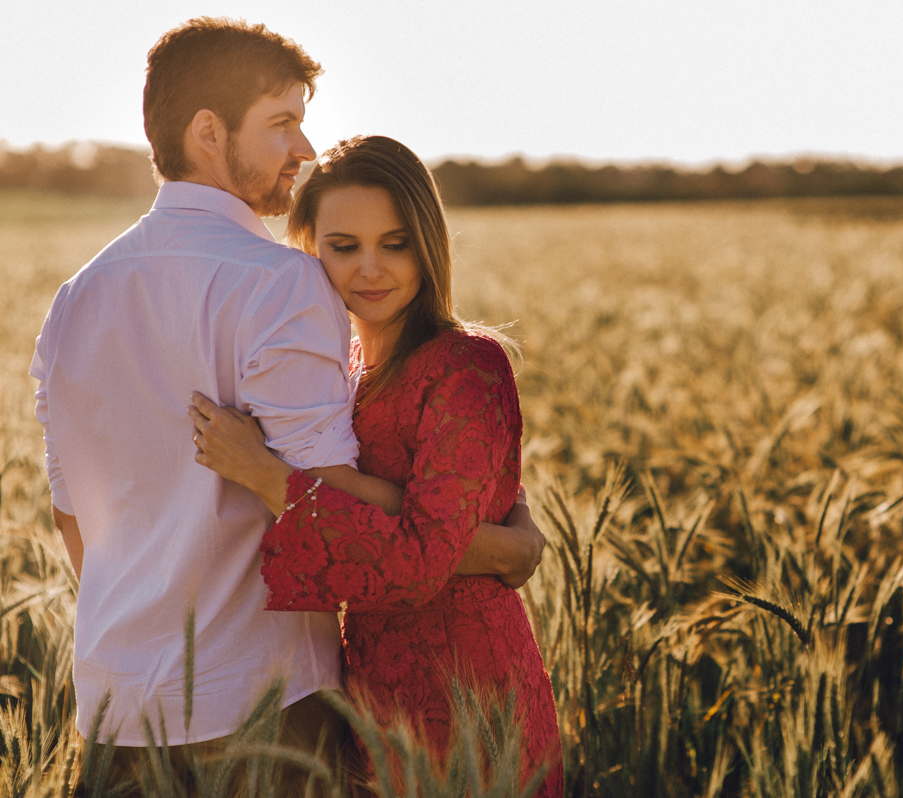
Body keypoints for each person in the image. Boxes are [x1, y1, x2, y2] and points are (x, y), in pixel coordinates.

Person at [30, 18, 544, 792]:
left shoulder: (75, 299)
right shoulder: (281, 283)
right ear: (209, 132)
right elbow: (333, 506)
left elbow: (74, 517)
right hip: (264, 707)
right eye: (282, 124)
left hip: (114, 708)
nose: (302, 150)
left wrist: (151, 630)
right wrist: (498, 550)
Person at [187, 135, 563, 795]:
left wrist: (266, 474)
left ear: (429, 243)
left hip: (468, 686)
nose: (371, 269)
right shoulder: (344, 370)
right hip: (373, 687)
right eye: (343, 246)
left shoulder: (468, 362)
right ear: (306, 249)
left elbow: (422, 553)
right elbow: (439, 510)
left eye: (396, 243)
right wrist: (505, 545)